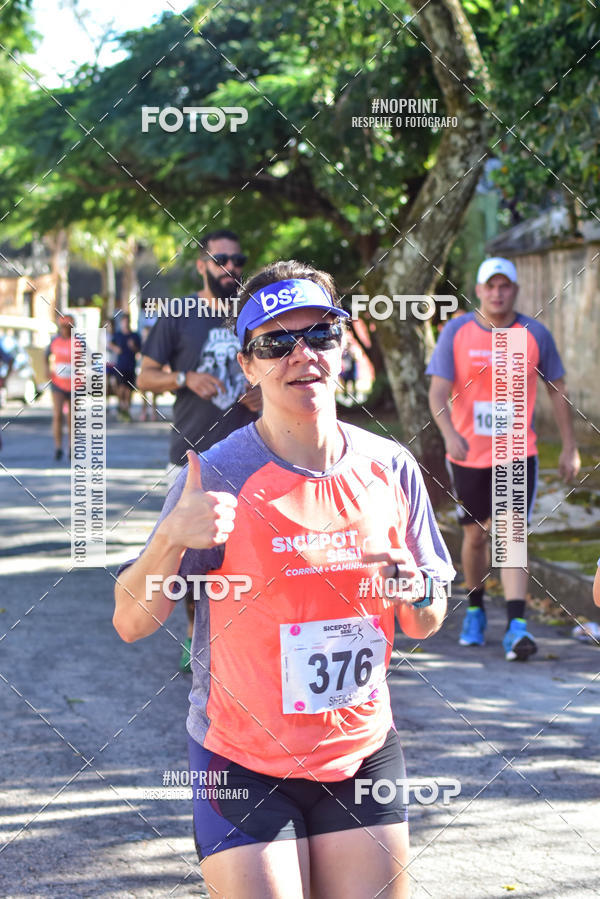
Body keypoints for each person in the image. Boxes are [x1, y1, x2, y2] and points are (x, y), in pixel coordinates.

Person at [114, 260, 455, 899]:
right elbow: (130, 622)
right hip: (242, 761)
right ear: (248, 365)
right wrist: (167, 540)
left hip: (361, 753)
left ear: (344, 346)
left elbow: (425, 619)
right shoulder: (215, 474)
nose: (304, 355)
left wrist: (416, 590)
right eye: (276, 343)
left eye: (322, 334)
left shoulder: (391, 466)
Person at [427, 257, 581, 661]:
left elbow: (557, 391)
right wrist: (449, 435)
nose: (497, 293)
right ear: (478, 290)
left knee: (512, 537)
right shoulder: (457, 331)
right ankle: (475, 609)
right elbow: (437, 393)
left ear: (514, 290)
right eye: (490, 286)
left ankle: (517, 626)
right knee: (476, 536)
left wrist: (570, 446)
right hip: (468, 455)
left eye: (505, 286)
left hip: (516, 452)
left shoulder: (533, 334)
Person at [137, 229, 262, 671]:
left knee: (251, 552)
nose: (230, 267)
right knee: (193, 556)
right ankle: (195, 633)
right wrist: (184, 379)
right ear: (202, 265)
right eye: (220, 259)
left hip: (255, 452)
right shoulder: (179, 315)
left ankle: (248, 639)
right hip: (196, 452)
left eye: (237, 259)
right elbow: (145, 376)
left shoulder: (253, 314)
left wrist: (265, 395)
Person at [45, 314, 75, 461]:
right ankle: (58, 447)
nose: (65, 330)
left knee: (71, 418)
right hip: (58, 383)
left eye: (68, 327)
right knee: (57, 415)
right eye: (63, 327)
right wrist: (46, 370)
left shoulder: (78, 342)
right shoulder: (54, 341)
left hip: (75, 384)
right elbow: (46, 356)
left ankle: (71, 447)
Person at [108, 313, 141, 421]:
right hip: (120, 365)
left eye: (127, 321)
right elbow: (110, 344)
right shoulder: (118, 335)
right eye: (124, 321)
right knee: (121, 388)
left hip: (131, 365)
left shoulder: (134, 335)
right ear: (121, 323)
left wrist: (133, 347)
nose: (125, 323)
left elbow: (139, 350)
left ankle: (126, 409)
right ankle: (121, 405)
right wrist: (115, 348)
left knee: (129, 390)